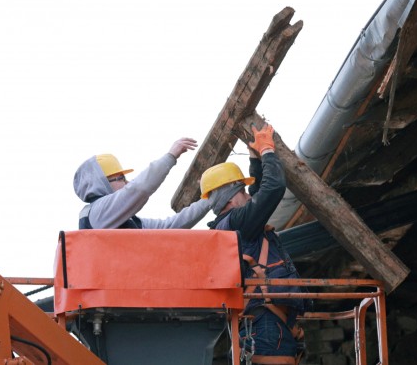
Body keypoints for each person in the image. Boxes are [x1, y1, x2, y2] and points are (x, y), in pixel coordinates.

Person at [201, 123, 305, 365]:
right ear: (229, 195)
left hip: (265, 321)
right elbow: (271, 190)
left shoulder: (231, 225)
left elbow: (258, 195)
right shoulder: (237, 222)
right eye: (243, 190)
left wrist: (255, 160)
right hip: (267, 325)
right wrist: (268, 150)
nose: (248, 195)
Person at [73, 137, 211, 229]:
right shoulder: (98, 213)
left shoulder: (126, 220)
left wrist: (210, 200)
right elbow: (139, 188)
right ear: (102, 183)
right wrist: (171, 156)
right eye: (121, 178)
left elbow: (169, 226)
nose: (127, 183)